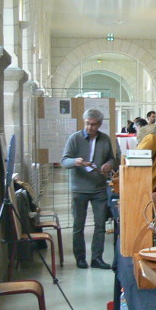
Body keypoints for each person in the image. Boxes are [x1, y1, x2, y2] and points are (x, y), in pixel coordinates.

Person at [61, 108, 116, 269]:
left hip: (99, 188)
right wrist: (75, 162)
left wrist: (109, 164)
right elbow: (64, 161)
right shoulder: (75, 138)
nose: (90, 127)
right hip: (79, 189)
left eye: (93, 124)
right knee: (78, 225)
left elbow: (112, 159)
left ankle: (97, 258)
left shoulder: (105, 139)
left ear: (99, 124)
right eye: (87, 124)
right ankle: (80, 258)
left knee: (100, 225)